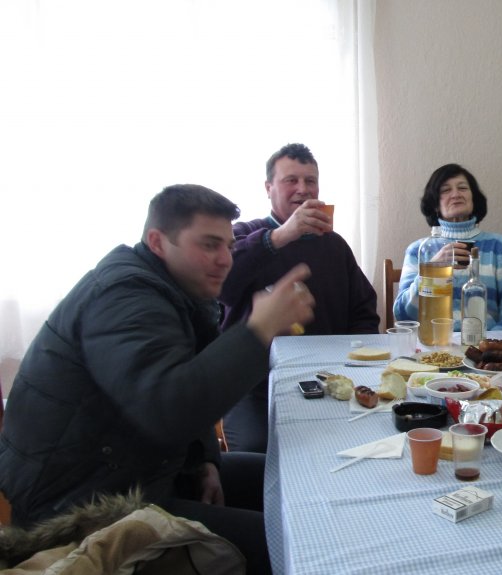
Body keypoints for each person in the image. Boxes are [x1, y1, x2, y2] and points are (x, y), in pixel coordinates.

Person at [0, 184, 315, 574]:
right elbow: (169, 408)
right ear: (157, 242)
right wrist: (257, 330)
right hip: (85, 502)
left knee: (288, 474)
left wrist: (205, 460)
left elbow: (185, 378)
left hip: (146, 468)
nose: (225, 260)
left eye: (228, 246)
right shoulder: (124, 297)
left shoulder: (175, 290)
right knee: (295, 543)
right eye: (209, 245)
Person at [219, 143, 379, 452]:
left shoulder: (334, 245)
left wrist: (353, 365)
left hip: (329, 379)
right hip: (254, 385)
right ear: (269, 188)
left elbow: (364, 312)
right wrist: (280, 236)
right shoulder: (243, 234)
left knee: (362, 438)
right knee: (258, 450)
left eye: (310, 181)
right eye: (291, 180)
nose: (303, 189)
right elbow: (223, 287)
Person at [394, 163, 502, 331]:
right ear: (435, 204)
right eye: (445, 190)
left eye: (462, 188)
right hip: (434, 343)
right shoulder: (418, 249)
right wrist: (432, 270)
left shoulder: (499, 246)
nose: (456, 194)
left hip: (487, 342)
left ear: (474, 199)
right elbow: (403, 315)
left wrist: (490, 342)